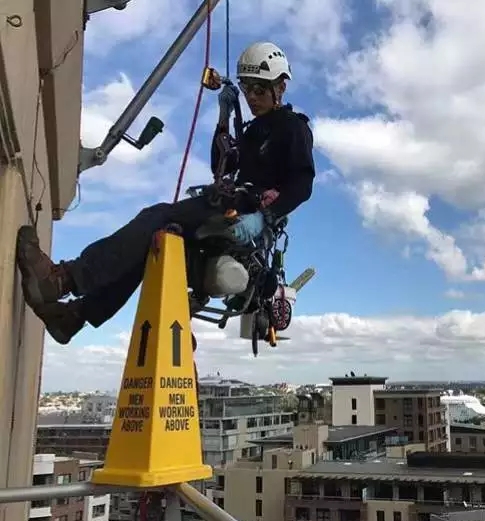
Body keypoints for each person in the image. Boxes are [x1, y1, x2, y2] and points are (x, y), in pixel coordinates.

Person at [16, 41, 315, 345]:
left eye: (259, 90)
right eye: (247, 88)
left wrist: (263, 218)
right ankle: (74, 317)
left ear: (280, 87)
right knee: (150, 242)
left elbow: (302, 184)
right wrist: (224, 116)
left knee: (155, 217)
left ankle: (62, 280)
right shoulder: (253, 130)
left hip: (246, 210)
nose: (251, 97)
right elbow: (221, 164)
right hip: (229, 202)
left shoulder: (293, 128)